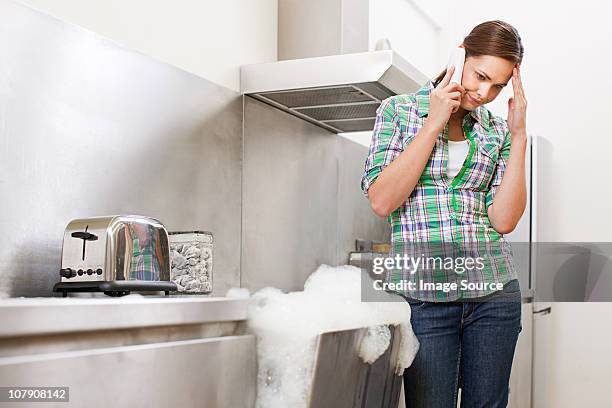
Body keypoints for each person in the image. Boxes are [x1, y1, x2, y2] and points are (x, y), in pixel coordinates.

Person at [360, 20, 527, 407]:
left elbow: (503, 220)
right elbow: (383, 201)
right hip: (424, 298)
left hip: (494, 293)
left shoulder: (498, 131)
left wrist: (518, 136)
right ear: (460, 54)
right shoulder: (398, 112)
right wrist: (435, 119)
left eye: (498, 86)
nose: (486, 93)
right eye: (481, 76)